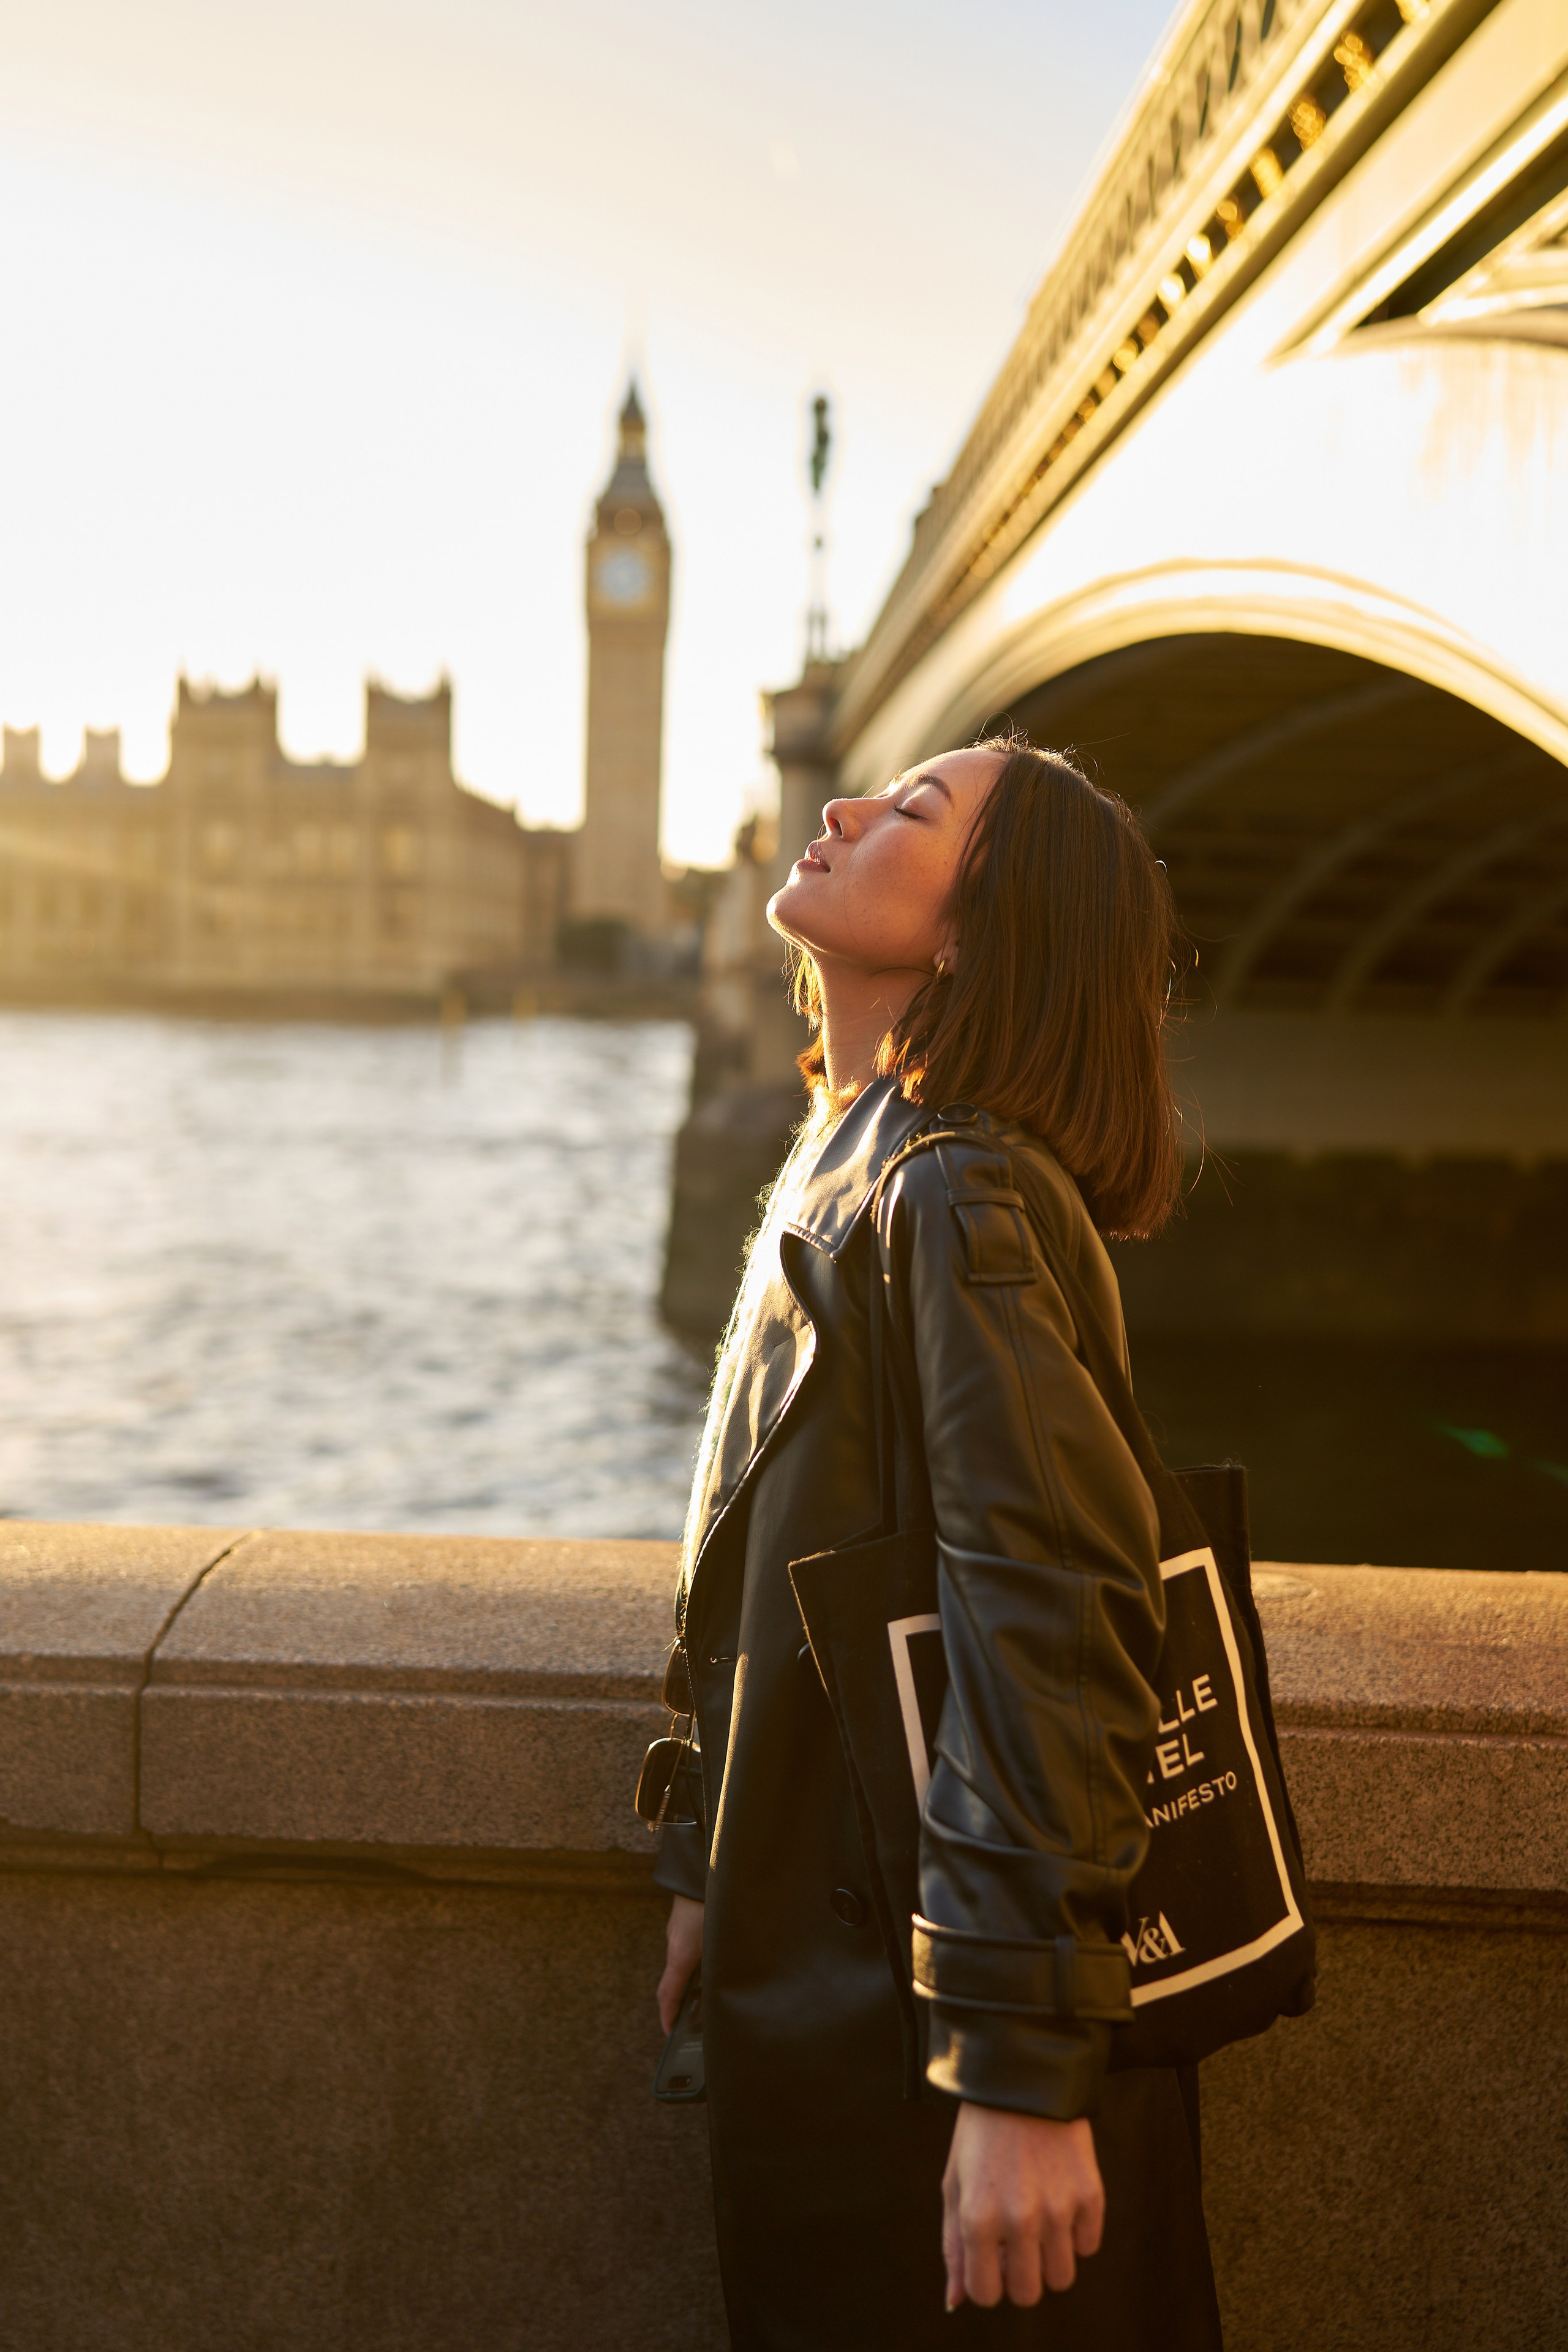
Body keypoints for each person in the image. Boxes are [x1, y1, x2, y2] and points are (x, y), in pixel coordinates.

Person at [652, 736, 1224, 2350]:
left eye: (910, 813)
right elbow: (774, 1573)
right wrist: (710, 1854)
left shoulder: (960, 1189)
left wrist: (1026, 2079)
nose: (838, 811)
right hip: (841, 1985)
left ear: (980, 930)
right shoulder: (855, 1151)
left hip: (938, 2048)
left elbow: (1053, 1610)